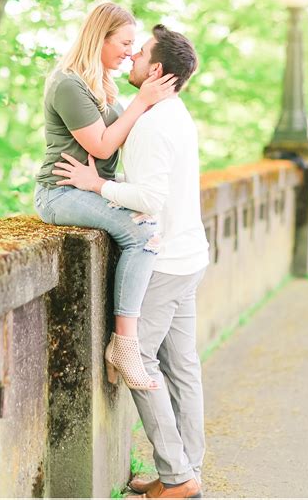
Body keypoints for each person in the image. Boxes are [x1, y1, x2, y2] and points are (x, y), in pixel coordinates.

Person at [52, 25, 209, 499]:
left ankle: (179, 479)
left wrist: (93, 183)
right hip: (191, 255)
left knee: (137, 358)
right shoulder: (174, 113)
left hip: (163, 261)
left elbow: (150, 199)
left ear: (156, 70)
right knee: (182, 367)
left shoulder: (153, 123)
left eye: (140, 53)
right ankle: (185, 469)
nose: (133, 57)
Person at [34, 2, 177, 391]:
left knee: (148, 227)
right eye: (125, 42)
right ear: (100, 36)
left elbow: (123, 139)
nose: (130, 53)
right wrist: (142, 101)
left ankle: (125, 344)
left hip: (85, 187)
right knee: (144, 234)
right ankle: (125, 346)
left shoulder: (102, 86)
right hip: (60, 192)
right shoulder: (68, 82)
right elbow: (100, 145)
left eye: (134, 45)